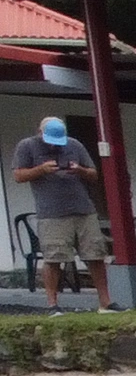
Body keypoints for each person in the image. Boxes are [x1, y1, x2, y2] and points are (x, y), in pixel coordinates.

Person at [13, 117, 107, 309]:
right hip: (52, 213)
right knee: (54, 258)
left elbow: (94, 174)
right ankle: (52, 305)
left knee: (95, 255)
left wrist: (79, 170)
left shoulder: (74, 145)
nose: (55, 146)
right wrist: (41, 169)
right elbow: (18, 176)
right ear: (40, 133)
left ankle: (106, 303)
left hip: (83, 209)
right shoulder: (27, 146)